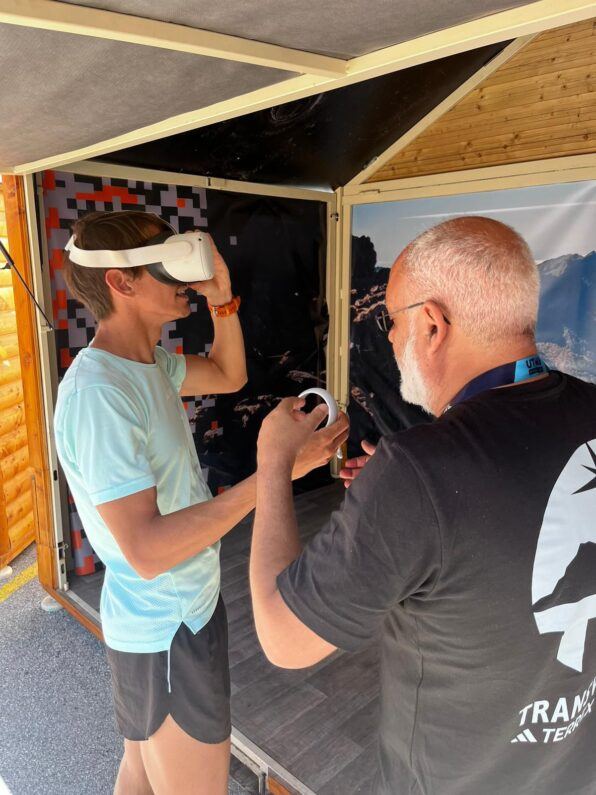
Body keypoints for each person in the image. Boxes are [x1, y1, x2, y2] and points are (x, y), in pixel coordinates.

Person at [250, 216, 596, 795]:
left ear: (433, 324)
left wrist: (272, 463)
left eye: (391, 318)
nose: (387, 337)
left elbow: (283, 639)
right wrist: (409, 509)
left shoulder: (420, 470)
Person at [53, 210, 349, 795]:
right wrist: (277, 470)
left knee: (141, 772)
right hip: (167, 629)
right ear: (120, 282)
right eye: (167, 265)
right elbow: (146, 550)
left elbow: (228, 374)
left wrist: (223, 302)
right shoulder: (101, 396)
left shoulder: (147, 366)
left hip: (177, 613)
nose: (184, 279)